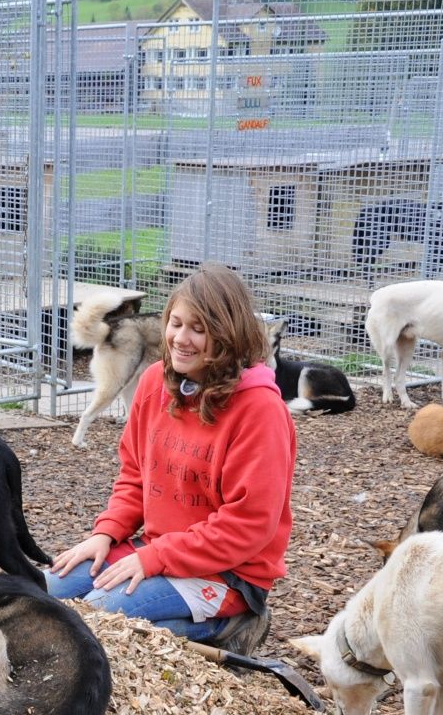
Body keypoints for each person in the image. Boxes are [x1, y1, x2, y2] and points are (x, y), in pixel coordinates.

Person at [47, 263, 295, 651]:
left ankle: (233, 626)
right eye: (175, 324)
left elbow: (247, 525)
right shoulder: (155, 383)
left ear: (228, 336)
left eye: (198, 329)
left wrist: (156, 557)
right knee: (41, 594)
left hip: (227, 575)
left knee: (97, 620)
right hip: (158, 550)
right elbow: (135, 474)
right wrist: (106, 533)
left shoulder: (260, 409)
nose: (181, 338)